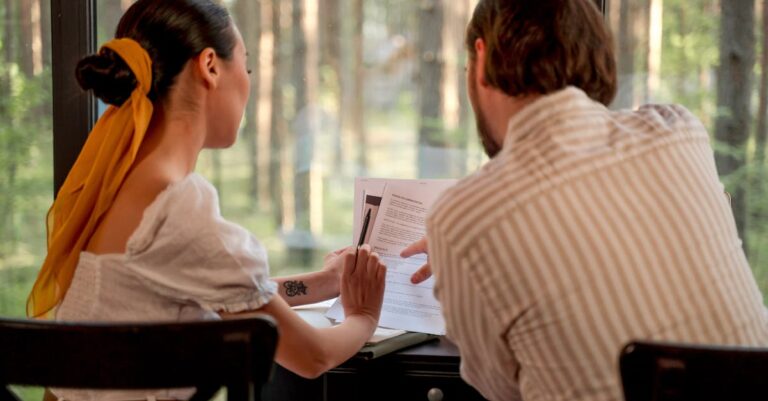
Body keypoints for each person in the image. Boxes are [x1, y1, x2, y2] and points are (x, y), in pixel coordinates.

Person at [401, 0, 768, 400]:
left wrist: (463, 254)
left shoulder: (464, 218)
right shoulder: (679, 131)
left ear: (482, 57)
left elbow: (502, 391)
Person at [27, 1, 386, 400]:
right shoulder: (175, 205)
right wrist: (364, 316)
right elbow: (313, 356)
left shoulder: (117, 181)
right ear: (210, 66)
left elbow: (233, 297)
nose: (248, 84)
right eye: (246, 68)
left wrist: (326, 282)